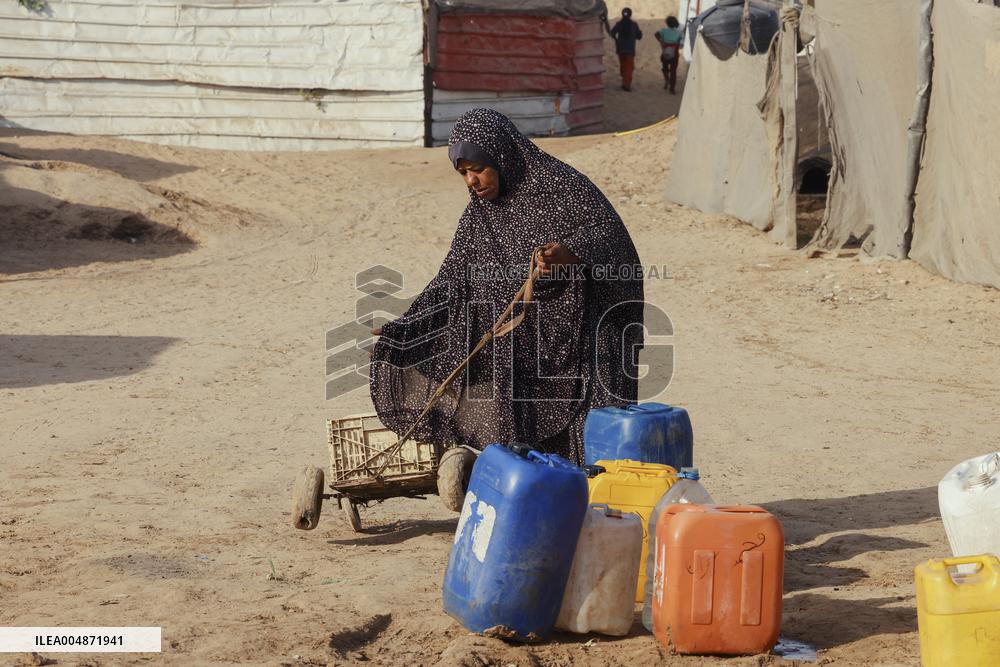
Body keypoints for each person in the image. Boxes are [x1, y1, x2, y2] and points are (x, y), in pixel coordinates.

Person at [369, 109, 644, 466]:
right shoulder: (479, 216)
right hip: (524, 350)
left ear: (501, 155)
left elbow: (610, 239)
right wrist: (406, 331)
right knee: (528, 453)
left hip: (583, 342)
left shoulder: (560, 187)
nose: (471, 181)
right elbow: (452, 280)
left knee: (595, 450)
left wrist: (570, 254)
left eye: (477, 168)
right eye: (463, 173)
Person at [608, 7, 643, 91]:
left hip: (620, 48)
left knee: (623, 66)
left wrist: (617, 40)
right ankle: (626, 85)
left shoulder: (619, 23)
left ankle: (624, 81)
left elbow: (612, 33)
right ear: (631, 15)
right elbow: (639, 36)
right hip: (630, 49)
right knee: (629, 68)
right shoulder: (634, 24)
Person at [655, 16, 683, 94]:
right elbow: (680, 43)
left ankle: (667, 80)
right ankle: (672, 88)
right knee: (673, 71)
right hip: (674, 53)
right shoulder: (678, 33)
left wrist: (661, 42)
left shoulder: (663, 31)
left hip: (665, 52)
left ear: (667, 23)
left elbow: (656, 34)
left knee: (665, 68)